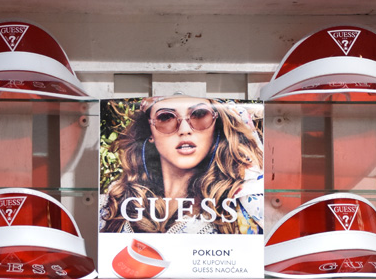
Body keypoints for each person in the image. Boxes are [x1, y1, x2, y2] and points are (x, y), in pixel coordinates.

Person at [100, 96, 263, 234]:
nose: (184, 130)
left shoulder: (240, 203)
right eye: (166, 117)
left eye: (199, 114)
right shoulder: (114, 202)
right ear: (150, 132)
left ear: (216, 127)